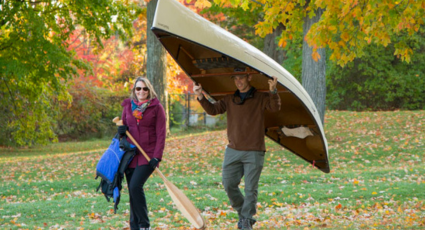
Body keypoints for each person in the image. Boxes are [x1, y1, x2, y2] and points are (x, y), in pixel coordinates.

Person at [193, 68, 281, 230]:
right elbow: (213, 110)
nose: (238, 81)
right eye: (235, 79)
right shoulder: (229, 99)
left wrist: (273, 91)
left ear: (249, 77)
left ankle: (246, 220)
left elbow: (275, 108)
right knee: (228, 184)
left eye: (241, 78)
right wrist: (200, 96)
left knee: (250, 189)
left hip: (254, 150)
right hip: (233, 150)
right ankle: (244, 215)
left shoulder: (261, 97)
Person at [118, 77, 166, 230]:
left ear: (149, 90)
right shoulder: (128, 106)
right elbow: (124, 130)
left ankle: (144, 225)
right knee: (133, 192)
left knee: (135, 186)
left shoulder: (156, 108)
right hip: (131, 156)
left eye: (144, 89)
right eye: (138, 89)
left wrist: (157, 156)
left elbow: (161, 134)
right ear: (134, 90)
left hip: (148, 156)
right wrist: (121, 131)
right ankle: (135, 226)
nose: (141, 92)